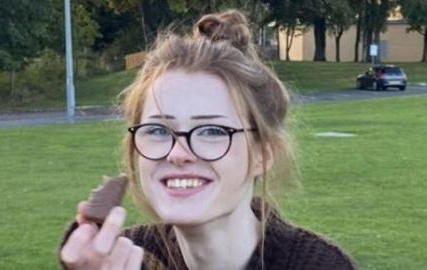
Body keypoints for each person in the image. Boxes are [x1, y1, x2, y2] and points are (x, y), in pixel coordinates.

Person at [59, 9, 357, 270]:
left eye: (212, 132)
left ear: (262, 154)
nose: (178, 153)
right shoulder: (118, 259)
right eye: (158, 130)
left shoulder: (317, 265)